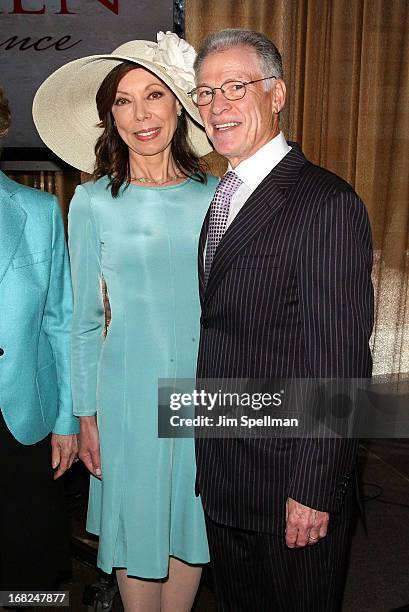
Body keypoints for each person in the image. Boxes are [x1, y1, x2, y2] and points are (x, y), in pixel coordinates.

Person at [189, 29, 374, 611]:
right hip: (227, 474)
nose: (216, 106)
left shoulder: (325, 203)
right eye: (204, 92)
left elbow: (339, 360)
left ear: (277, 94)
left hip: (291, 486)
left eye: (235, 87)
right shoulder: (225, 194)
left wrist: (313, 489)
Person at [33, 32, 217, 612]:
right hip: (127, 394)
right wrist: (85, 415)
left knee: (191, 523)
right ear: (110, 117)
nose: (140, 114)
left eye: (154, 95)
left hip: (204, 387)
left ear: (178, 107)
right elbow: (83, 321)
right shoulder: (92, 202)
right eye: (123, 101)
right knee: (138, 527)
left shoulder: (221, 195)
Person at [0, 87, 78, 594]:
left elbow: (62, 323)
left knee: (24, 572)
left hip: (22, 417)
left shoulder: (39, 211)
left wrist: (68, 419)